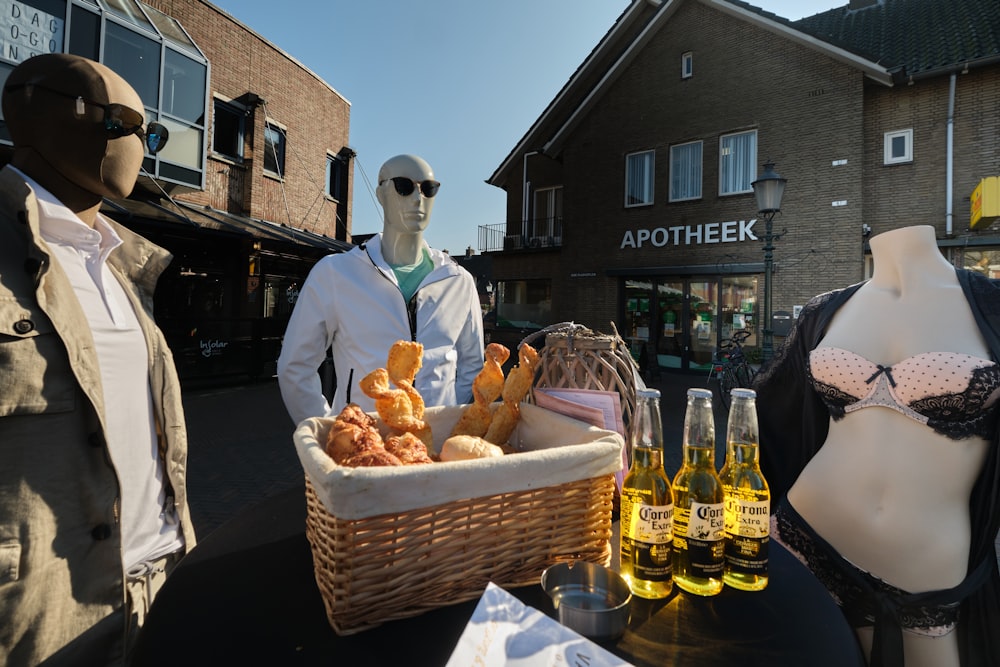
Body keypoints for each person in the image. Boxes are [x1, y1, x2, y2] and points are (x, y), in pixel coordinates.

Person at [0, 54, 194, 666]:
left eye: (150, 132)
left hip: (163, 585)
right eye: (120, 121)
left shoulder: (123, 267)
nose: (139, 142)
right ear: (34, 112)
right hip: (46, 619)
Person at [753, 225, 1000, 667]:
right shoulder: (826, 311)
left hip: (925, 570)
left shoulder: (991, 306)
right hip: (806, 532)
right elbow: (773, 412)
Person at [278, 154, 484, 424]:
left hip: (433, 451)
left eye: (428, 188)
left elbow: (473, 365)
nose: (417, 198)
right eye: (404, 186)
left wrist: (445, 420)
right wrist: (329, 431)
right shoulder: (335, 274)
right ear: (380, 194)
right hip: (364, 450)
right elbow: (295, 366)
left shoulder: (458, 281)